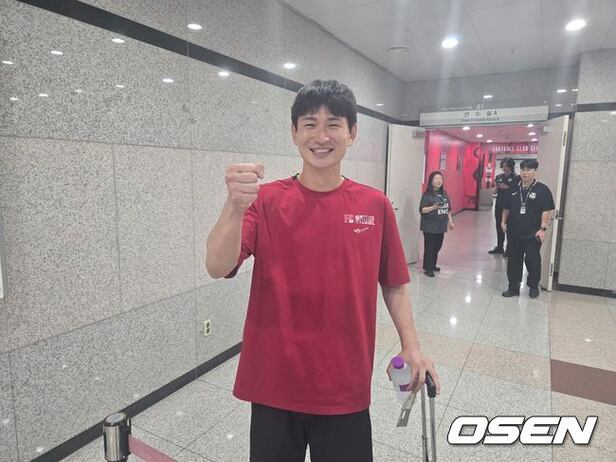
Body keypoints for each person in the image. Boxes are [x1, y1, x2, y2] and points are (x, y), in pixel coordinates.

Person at [206, 80, 440, 462]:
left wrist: (411, 347)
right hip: (274, 384)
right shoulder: (266, 201)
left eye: (333, 124)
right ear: (294, 133)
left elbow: (395, 284)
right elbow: (218, 266)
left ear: (352, 133)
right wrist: (234, 207)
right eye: (309, 124)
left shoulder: (374, 206)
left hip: (343, 386)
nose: (321, 136)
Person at [501, 159, 555, 298]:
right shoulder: (513, 189)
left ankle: (533, 286)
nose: (525, 173)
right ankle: (513, 287)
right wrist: (503, 222)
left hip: (533, 233)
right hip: (514, 232)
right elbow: (506, 208)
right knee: (514, 261)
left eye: (529, 170)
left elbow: (546, 211)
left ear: (535, 171)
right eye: (523, 170)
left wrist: (543, 229)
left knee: (532, 260)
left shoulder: (542, 190)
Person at [419, 171, 454, 277]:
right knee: (429, 248)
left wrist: (450, 221)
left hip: (441, 226)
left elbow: (448, 209)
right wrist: (433, 207)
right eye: (436, 179)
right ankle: (428, 268)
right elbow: (422, 210)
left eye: (441, 179)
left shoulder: (444, 193)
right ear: (431, 181)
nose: (439, 181)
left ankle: (433, 265)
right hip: (429, 226)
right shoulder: (427, 195)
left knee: (437, 247)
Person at [489, 158, 519, 256]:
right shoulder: (499, 177)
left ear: (511, 166)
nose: (504, 168)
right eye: (503, 166)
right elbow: (494, 192)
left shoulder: (516, 177)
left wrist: (506, 187)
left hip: (511, 206)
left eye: (506, 166)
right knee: (499, 225)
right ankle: (499, 247)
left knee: (509, 226)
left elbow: (517, 191)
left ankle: (509, 249)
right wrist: (496, 186)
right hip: (499, 204)